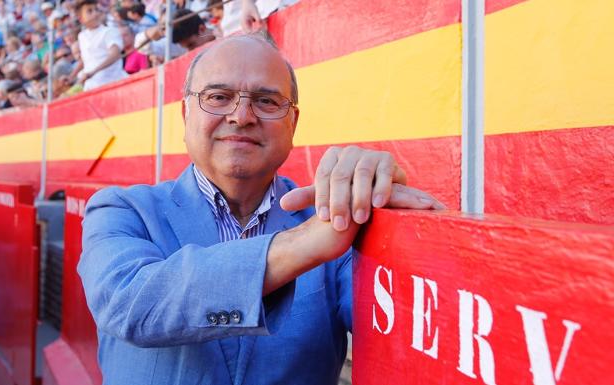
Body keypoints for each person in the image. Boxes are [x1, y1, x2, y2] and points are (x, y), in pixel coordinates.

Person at [78, 33, 444, 385]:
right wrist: (303, 244)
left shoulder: (338, 219)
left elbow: (418, 324)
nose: (242, 116)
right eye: (218, 97)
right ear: (185, 114)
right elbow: (130, 304)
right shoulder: (121, 210)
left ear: (293, 123)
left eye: (267, 101)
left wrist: (397, 218)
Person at [76, 0, 128, 91]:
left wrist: (93, 72)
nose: (95, 14)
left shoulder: (109, 31)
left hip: (112, 84)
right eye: (90, 11)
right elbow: (86, 59)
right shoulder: (82, 36)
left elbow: (115, 55)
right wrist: (71, 76)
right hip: (91, 87)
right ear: (81, 19)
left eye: (96, 10)